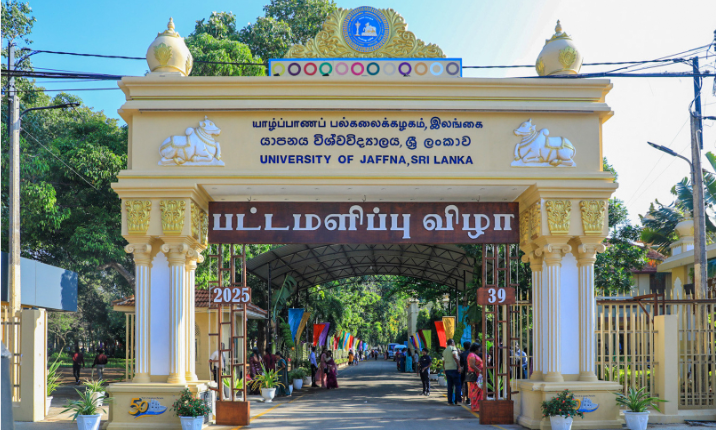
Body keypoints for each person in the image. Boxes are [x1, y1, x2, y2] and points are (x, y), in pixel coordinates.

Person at [442, 339, 462, 406]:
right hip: (454, 369)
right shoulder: (453, 348)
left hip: (447, 369)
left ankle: (449, 401)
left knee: (450, 386)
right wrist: (459, 366)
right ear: (452, 343)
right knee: (458, 385)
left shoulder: (444, 351)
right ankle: (458, 401)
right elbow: (455, 357)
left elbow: (443, 361)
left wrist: (444, 369)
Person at [467, 343, 484, 412]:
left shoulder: (473, 355)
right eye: (479, 348)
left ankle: (478, 406)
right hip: (475, 376)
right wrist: (480, 371)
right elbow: (472, 365)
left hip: (478, 376)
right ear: (476, 349)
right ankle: (475, 407)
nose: (479, 350)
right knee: (475, 391)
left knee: (479, 390)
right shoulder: (472, 355)